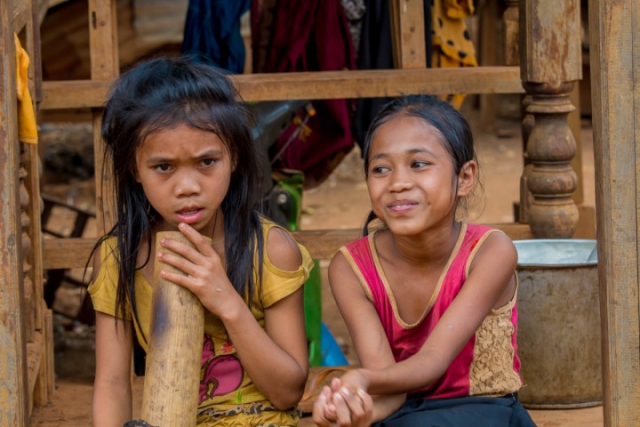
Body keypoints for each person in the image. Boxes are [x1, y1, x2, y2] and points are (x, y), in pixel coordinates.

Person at [88, 57, 314, 427]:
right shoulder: (119, 258)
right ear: (134, 168)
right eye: (164, 167)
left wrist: (224, 298)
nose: (188, 187)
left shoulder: (270, 251)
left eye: (207, 162)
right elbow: (112, 383)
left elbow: (288, 392)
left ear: (234, 156)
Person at [312, 95, 537, 427]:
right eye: (381, 169)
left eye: (418, 164)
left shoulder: (491, 252)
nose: (398, 183)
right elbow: (391, 392)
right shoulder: (350, 268)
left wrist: (363, 380)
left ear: (464, 177)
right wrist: (355, 415)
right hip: (403, 415)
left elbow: (432, 362)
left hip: (484, 412)